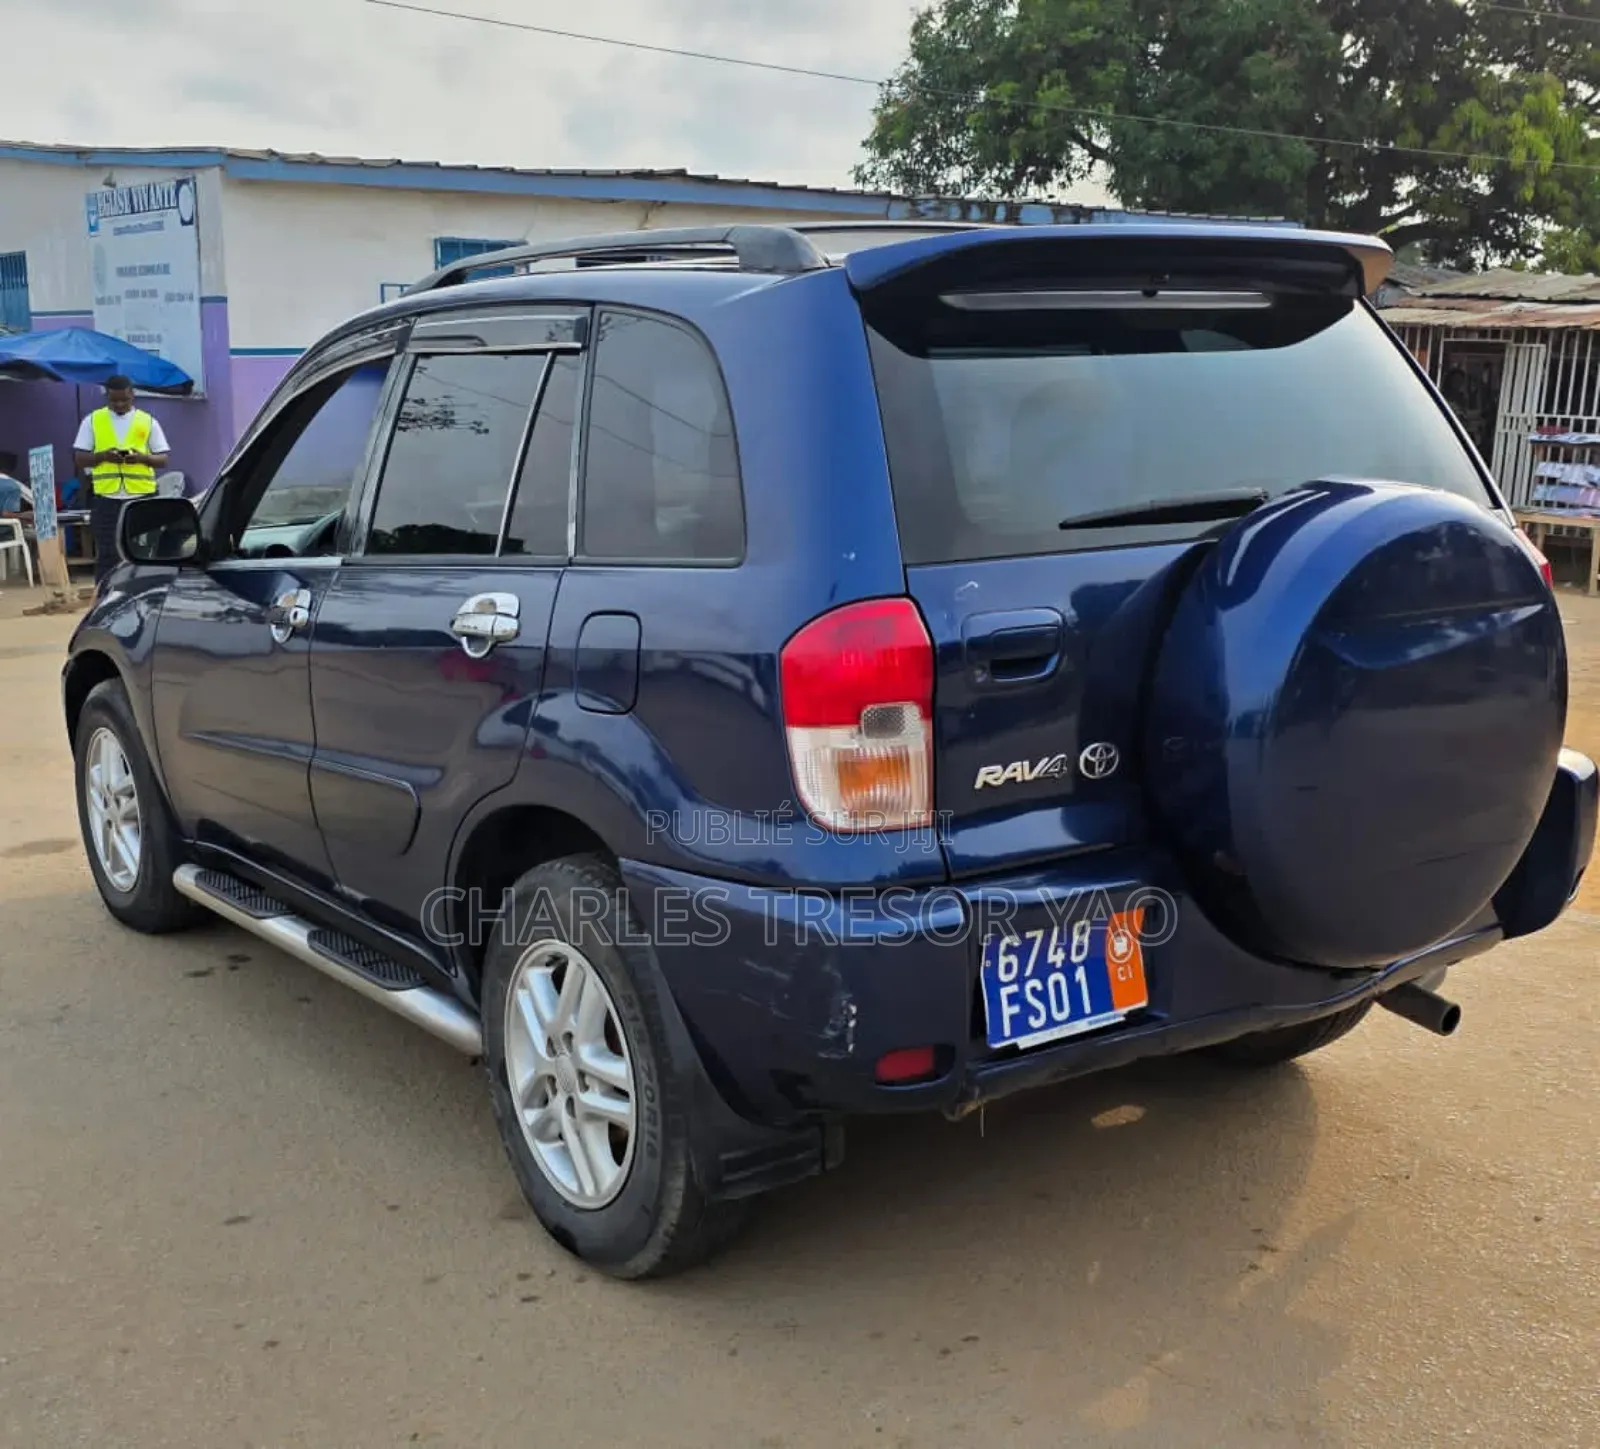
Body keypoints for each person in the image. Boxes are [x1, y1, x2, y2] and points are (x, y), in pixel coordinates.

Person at [73, 377, 169, 584]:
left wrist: (142, 458)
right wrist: (103, 457)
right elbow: (80, 459)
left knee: (144, 551)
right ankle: (106, 594)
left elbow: (163, 459)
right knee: (108, 553)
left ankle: (143, 589)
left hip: (142, 497)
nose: (119, 404)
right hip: (106, 499)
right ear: (106, 397)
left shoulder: (147, 421)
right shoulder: (92, 421)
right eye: (114, 400)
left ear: (132, 395)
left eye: (124, 400)